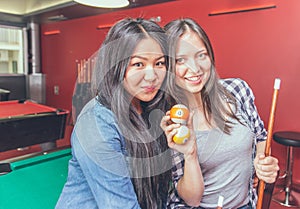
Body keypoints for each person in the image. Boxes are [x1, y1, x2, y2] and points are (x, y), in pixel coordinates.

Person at [160, 18, 279, 209]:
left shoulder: (237, 90)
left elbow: (260, 137)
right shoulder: (170, 121)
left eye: (201, 55)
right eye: (181, 60)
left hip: (247, 204)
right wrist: (190, 153)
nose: (195, 68)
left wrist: (261, 163)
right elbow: (192, 199)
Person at [55, 18, 173, 209]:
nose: (152, 76)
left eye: (159, 63)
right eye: (138, 64)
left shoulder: (150, 109)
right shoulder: (96, 123)